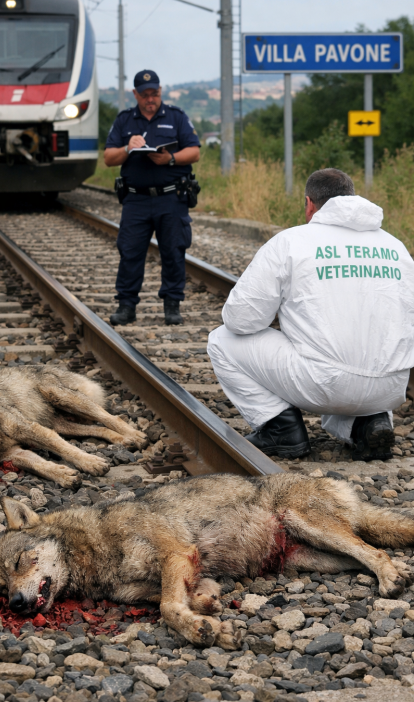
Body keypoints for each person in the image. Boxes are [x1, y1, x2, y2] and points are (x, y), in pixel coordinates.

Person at [207, 168, 414, 462]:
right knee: (356, 353)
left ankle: (281, 429)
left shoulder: (291, 241)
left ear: (309, 204)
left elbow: (240, 320)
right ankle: (369, 422)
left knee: (221, 339)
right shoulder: (395, 247)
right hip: (389, 388)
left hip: (323, 384)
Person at [104, 70, 200, 326]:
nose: (150, 99)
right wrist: (128, 148)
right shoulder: (125, 120)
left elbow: (194, 152)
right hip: (136, 200)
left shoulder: (176, 117)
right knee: (130, 252)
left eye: (154, 94)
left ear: (161, 92)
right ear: (135, 94)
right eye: (145, 94)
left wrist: (170, 159)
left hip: (171, 198)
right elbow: (108, 158)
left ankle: (172, 305)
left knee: (173, 251)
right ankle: (126, 306)